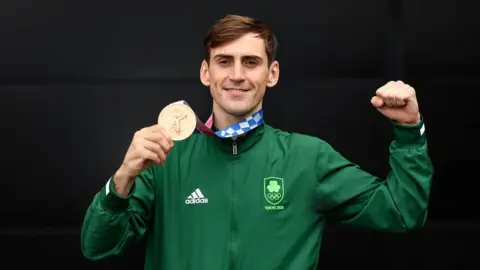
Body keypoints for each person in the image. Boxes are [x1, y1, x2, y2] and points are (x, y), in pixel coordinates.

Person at [81, 14, 434, 270]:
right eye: (224, 61)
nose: (237, 75)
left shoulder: (308, 159)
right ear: (207, 73)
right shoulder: (164, 159)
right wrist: (123, 179)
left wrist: (409, 131)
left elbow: (403, 212)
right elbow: (98, 248)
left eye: (251, 62)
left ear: (272, 73)